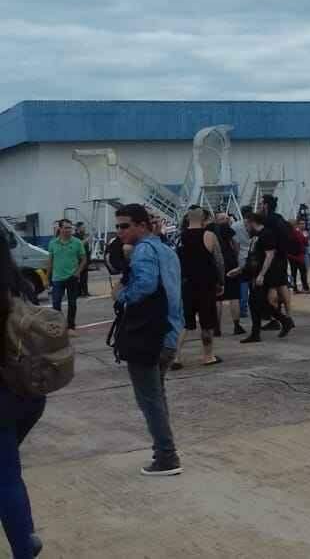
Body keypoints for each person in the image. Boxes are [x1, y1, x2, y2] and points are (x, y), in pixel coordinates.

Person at [112, 203, 185, 476]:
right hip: (169, 334)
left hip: (147, 336)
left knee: (149, 400)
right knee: (157, 396)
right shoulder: (167, 250)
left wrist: (120, 295)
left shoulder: (143, 251)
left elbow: (145, 285)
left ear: (142, 226)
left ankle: (166, 456)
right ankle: (165, 450)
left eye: (125, 226)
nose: (119, 231)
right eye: (117, 226)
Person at [0, 237, 46, 558]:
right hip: (28, 395)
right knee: (6, 475)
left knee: (5, 479)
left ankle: (23, 549)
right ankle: (25, 540)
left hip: (3, 398)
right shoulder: (20, 285)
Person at [172, 207, 224, 369]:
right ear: (204, 219)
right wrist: (221, 282)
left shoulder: (178, 237)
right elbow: (219, 261)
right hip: (205, 284)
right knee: (207, 321)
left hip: (186, 284)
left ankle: (176, 357)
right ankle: (208, 356)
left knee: (184, 323)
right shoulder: (209, 236)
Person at [241, 212, 294, 343]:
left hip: (264, 275)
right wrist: (240, 269)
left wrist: (261, 275)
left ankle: (282, 321)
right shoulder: (256, 236)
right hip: (256, 274)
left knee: (258, 302)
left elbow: (269, 255)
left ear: (252, 222)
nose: (245, 227)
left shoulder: (266, 234)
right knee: (256, 303)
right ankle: (259, 331)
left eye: (246, 224)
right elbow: (253, 256)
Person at [259, 195, 294, 331]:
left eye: (262, 203)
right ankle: (289, 315)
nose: (260, 206)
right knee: (282, 285)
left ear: (266, 205)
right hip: (282, 256)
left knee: (271, 287)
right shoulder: (280, 218)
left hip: (272, 257)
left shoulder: (267, 221)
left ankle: (275, 319)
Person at [46, 219, 86, 334]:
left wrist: (78, 272)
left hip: (72, 278)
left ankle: (71, 327)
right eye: (66, 228)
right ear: (60, 229)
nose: (69, 230)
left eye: (70, 228)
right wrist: (46, 279)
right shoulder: (53, 243)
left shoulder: (77, 242)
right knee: (56, 303)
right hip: (57, 278)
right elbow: (50, 262)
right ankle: (60, 325)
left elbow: (83, 260)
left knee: (72, 303)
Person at [215, 214, 245, 336]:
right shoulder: (229, 230)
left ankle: (217, 328)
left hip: (217, 262)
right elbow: (236, 245)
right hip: (230, 262)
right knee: (234, 296)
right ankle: (237, 325)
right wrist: (237, 259)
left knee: (217, 298)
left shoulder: (212, 231)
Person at [232, 206, 253, 317]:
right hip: (253, 256)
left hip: (241, 256)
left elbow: (235, 244)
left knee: (243, 284)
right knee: (253, 284)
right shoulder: (255, 224)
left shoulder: (235, 226)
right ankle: (256, 307)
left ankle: (243, 309)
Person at [287, 219, 310, 294]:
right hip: (299, 256)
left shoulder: (286, 233)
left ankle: (295, 288)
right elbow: (306, 243)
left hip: (290, 256)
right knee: (303, 272)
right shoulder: (298, 233)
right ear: (295, 225)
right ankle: (305, 287)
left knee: (293, 273)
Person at [75, 222, 92, 297]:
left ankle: (85, 292)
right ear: (78, 228)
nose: (84, 229)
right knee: (80, 277)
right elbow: (79, 244)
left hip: (85, 260)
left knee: (84, 277)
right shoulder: (75, 236)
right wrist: (87, 240)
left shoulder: (83, 236)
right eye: (83, 227)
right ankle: (79, 292)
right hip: (79, 261)